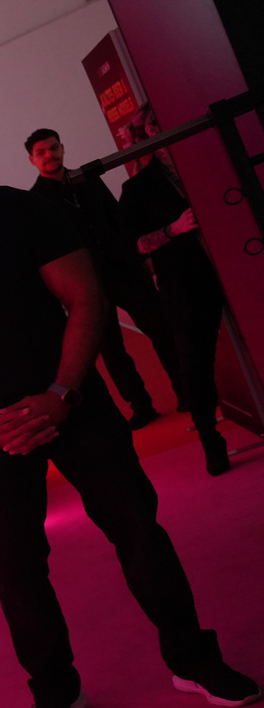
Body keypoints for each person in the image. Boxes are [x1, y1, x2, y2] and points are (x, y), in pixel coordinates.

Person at [0, 128, 258, 708]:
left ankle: (192, 658)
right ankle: (55, 689)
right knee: (16, 570)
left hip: (71, 404)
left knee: (138, 529)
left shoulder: (18, 211)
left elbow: (85, 298)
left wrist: (60, 395)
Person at [117, 107, 236, 475]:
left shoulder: (209, 162)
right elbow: (131, 247)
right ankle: (210, 441)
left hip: (237, 265)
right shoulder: (137, 188)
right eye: (154, 126)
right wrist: (173, 229)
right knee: (196, 366)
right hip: (184, 284)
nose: (162, 130)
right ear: (147, 136)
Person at [25, 128, 169, 428]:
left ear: (62, 148)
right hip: (85, 283)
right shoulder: (35, 201)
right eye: (41, 152)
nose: (49, 155)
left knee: (161, 329)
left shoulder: (88, 179)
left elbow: (118, 218)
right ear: (32, 160)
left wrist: (140, 257)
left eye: (53, 148)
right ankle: (141, 406)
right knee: (111, 350)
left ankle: (187, 392)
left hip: (124, 268)